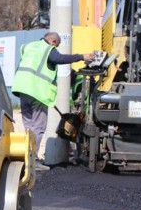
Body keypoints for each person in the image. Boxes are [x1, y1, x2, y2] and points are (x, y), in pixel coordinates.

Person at [12, 32, 95, 168]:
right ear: (53, 41)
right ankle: (32, 161)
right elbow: (59, 58)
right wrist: (82, 57)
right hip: (36, 91)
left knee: (29, 128)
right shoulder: (48, 49)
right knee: (38, 128)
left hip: (22, 89)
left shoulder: (28, 46)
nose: (56, 47)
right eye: (57, 45)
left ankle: (25, 159)